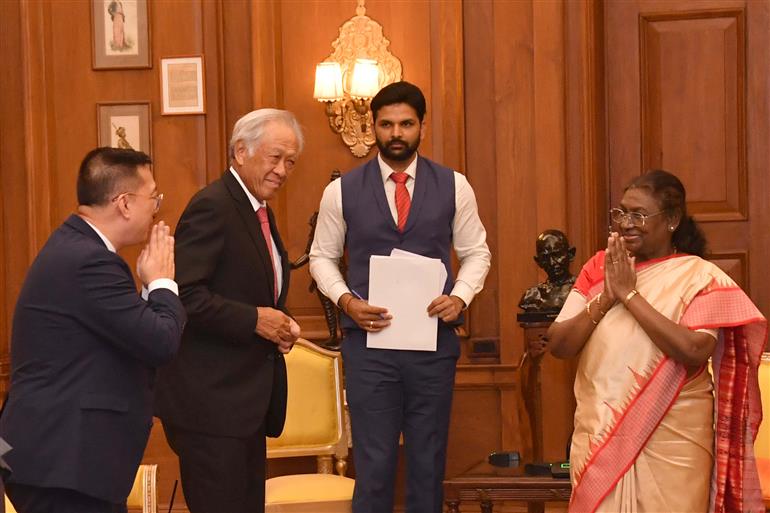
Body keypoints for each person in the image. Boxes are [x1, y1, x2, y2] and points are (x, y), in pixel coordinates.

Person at [309, 81, 491, 513]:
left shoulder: (455, 186)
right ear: (372, 126)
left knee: (428, 461)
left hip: (432, 344)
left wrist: (461, 297)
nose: (396, 133)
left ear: (422, 127)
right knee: (374, 463)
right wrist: (347, 301)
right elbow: (321, 258)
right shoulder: (340, 191)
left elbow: (477, 253)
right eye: (386, 124)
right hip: (369, 348)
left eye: (406, 124)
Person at [547, 169, 766, 512]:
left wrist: (629, 294)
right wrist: (608, 295)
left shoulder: (700, 276)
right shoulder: (600, 267)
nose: (626, 223)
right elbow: (559, 344)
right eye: (621, 213)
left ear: (673, 220)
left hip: (675, 442)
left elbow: (694, 350)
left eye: (639, 214)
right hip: (602, 436)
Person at [0, 147, 185, 513]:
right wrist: (163, 282)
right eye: (154, 197)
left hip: (64, 460)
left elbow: (131, 336)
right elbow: (161, 341)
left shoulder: (79, 249)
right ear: (125, 203)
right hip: (63, 462)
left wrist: (150, 288)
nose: (156, 208)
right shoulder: (89, 260)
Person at [154, 109, 302, 513]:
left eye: (290, 161)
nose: (283, 169)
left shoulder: (260, 210)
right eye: (274, 157)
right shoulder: (213, 205)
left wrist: (279, 320)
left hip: (243, 404)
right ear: (241, 151)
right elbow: (183, 295)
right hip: (210, 406)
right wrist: (257, 320)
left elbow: (250, 288)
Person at [519, 229, 576, 312]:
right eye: (545, 258)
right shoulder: (531, 296)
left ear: (570, 254)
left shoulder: (583, 290)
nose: (552, 263)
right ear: (538, 262)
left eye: (557, 255)